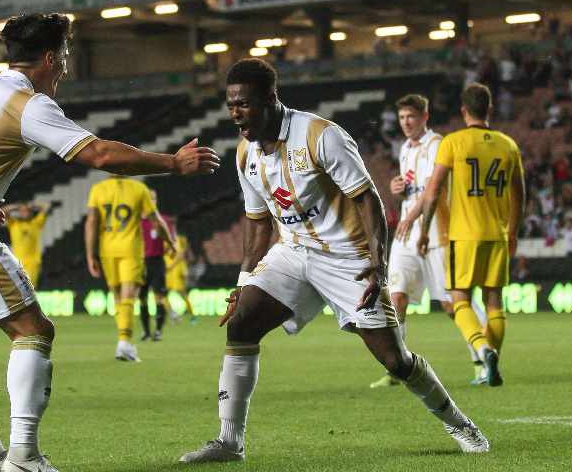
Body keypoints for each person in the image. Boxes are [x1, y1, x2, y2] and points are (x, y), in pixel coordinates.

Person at [0, 13, 219, 472]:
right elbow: (100, 154)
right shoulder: (28, 104)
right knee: (34, 332)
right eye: (65, 58)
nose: (66, 68)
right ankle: (23, 455)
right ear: (51, 58)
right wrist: (173, 163)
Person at [179, 59, 488, 465]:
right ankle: (229, 441)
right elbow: (257, 223)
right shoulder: (245, 155)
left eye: (245, 104)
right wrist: (242, 282)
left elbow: (368, 200)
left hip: (348, 258)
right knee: (241, 324)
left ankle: (461, 424)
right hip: (294, 250)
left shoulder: (320, 136)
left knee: (395, 361)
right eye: (231, 105)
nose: (236, 113)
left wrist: (377, 265)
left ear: (270, 99)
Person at [370, 94, 483, 389]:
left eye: (411, 117)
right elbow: (414, 186)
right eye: (402, 117)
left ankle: (482, 357)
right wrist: (398, 187)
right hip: (407, 235)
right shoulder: (405, 148)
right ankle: (398, 367)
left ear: (425, 117)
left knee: (450, 303)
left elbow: (432, 189)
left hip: (435, 233)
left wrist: (413, 215)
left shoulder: (439, 145)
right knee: (396, 297)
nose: (406, 123)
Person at [418, 82, 525, 388]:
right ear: (489, 109)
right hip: (497, 234)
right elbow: (520, 195)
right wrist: (513, 231)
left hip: (463, 235)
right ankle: (492, 362)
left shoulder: (452, 142)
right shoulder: (508, 145)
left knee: (459, 298)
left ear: (463, 110)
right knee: (495, 302)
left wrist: (424, 231)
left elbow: (434, 189)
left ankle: (482, 349)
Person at [85, 177, 171, 359]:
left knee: (117, 297)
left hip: (107, 250)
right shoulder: (139, 189)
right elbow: (155, 219)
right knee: (128, 296)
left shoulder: (98, 189)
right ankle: (124, 342)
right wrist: (170, 241)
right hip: (130, 249)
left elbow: (91, 222)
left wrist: (90, 254)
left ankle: (124, 342)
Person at [138, 190, 175, 341]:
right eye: (149, 199)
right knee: (142, 297)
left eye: (154, 198)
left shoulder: (162, 220)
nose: (151, 201)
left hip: (157, 262)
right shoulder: (137, 222)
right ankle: (146, 331)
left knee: (159, 297)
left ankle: (158, 331)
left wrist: (168, 247)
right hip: (141, 263)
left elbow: (170, 241)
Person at [3, 200, 52, 289]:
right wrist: (16, 206)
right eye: (22, 211)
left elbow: (47, 205)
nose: (24, 212)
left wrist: (32, 205)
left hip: (32, 263)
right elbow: (3, 211)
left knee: (30, 289)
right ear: (19, 213)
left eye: (26, 211)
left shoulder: (36, 223)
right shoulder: (14, 224)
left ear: (30, 212)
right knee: (17, 290)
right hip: (17, 263)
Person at [165, 230, 197, 324]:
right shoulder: (164, 239)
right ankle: (173, 314)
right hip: (167, 272)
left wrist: (184, 270)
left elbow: (184, 253)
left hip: (177, 270)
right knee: (162, 295)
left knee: (182, 294)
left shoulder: (180, 239)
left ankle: (193, 315)